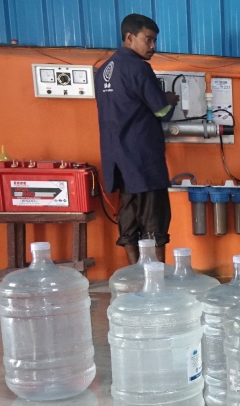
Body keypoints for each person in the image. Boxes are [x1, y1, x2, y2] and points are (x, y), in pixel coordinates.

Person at [95, 13, 178, 264]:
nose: (153, 47)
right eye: (148, 40)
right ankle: (158, 277)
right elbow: (161, 112)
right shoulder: (138, 68)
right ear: (130, 37)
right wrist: (170, 100)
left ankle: (134, 273)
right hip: (142, 157)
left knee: (128, 213)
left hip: (116, 156)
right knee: (155, 216)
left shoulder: (103, 70)